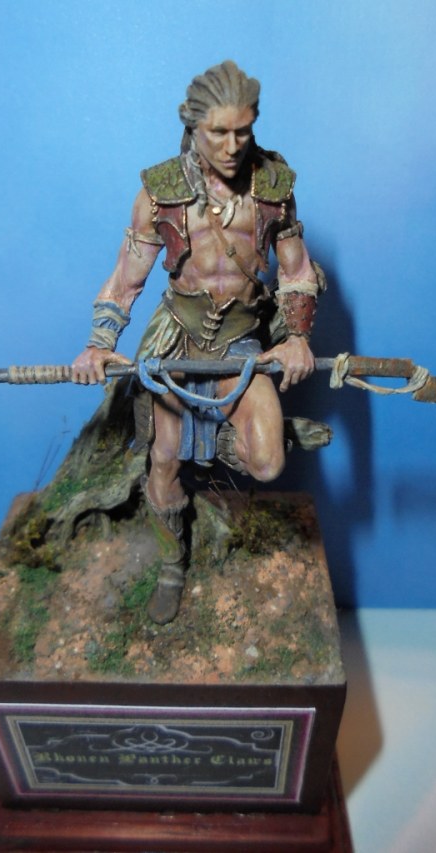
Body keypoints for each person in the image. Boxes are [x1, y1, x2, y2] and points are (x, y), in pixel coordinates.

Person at [72, 60, 326, 624]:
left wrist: (297, 339)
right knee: (163, 462)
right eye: (218, 133)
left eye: (243, 130)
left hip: (241, 340)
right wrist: (98, 343)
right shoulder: (159, 193)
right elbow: (125, 281)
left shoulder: (273, 187)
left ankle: (237, 439)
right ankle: (172, 563)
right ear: (192, 125)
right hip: (176, 340)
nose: (232, 146)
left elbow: (297, 272)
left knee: (267, 463)